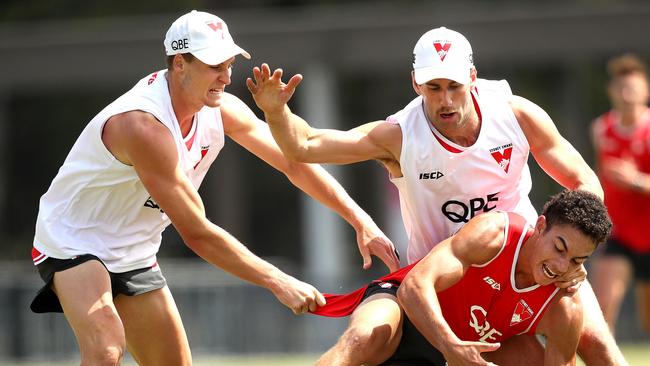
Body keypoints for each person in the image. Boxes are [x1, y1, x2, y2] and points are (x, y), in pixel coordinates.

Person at [29, 10, 399, 366]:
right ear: (179, 64)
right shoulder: (144, 127)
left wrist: (358, 218)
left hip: (133, 248)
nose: (225, 76)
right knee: (106, 351)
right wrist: (278, 280)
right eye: (213, 66)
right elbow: (197, 233)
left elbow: (292, 161)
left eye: (229, 65)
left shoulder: (222, 109)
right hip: (74, 240)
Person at [247, 26, 627, 365]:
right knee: (368, 337)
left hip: (524, 268)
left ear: (473, 79)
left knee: (596, 343)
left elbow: (584, 182)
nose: (445, 100)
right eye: (433, 87)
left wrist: (573, 252)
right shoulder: (400, 136)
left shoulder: (515, 115)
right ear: (416, 84)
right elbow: (305, 145)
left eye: (454, 86)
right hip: (443, 277)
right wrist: (276, 113)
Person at [312, 189, 612, 366]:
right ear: (541, 226)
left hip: (454, 352)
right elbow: (414, 287)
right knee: (366, 335)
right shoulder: (495, 235)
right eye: (559, 248)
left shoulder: (564, 306)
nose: (561, 266)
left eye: (576, 260)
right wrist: (450, 346)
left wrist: (453, 351)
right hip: (406, 314)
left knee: (532, 359)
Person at [590, 53, 650, 335]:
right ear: (611, 91)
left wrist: (636, 181)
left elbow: (633, 181)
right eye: (622, 88)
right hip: (619, 235)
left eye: (634, 89)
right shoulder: (601, 129)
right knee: (602, 313)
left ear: (646, 91)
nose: (628, 95)